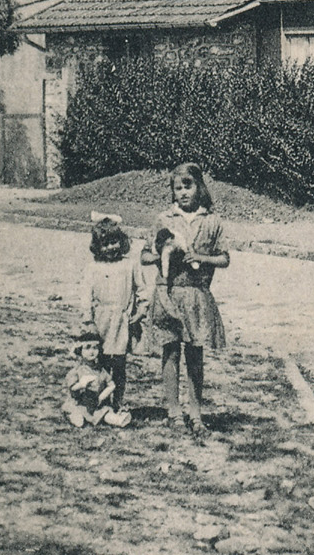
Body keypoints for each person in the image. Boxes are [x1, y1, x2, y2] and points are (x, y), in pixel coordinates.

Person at [142, 163, 228, 438]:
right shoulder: (164, 219)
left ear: (199, 187)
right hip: (169, 293)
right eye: (177, 188)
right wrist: (164, 253)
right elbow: (144, 256)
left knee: (195, 354)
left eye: (187, 186)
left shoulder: (211, 221)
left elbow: (224, 258)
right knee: (170, 351)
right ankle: (173, 412)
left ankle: (196, 412)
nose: (182, 193)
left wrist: (201, 258)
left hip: (196, 295)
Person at [79, 213, 145, 427]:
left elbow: (142, 290)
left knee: (119, 365)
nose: (110, 247)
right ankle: (99, 402)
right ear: (98, 246)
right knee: (99, 365)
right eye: (105, 244)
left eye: (114, 242)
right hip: (100, 321)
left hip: (122, 322)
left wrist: (140, 311)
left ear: (122, 242)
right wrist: (88, 320)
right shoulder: (93, 267)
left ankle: (117, 402)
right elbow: (85, 295)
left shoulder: (130, 264)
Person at [63, 331, 121, 428]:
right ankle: (73, 416)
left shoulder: (100, 370)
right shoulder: (77, 370)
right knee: (78, 418)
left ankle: (116, 419)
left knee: (105, 414)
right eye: (87, 348)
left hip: (96, 405)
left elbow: (111, 384)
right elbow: (72, 388)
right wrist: (81, 384)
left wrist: (103, 395)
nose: (92, 351)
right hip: (81, 404)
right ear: (80, 350)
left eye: (95, 348)